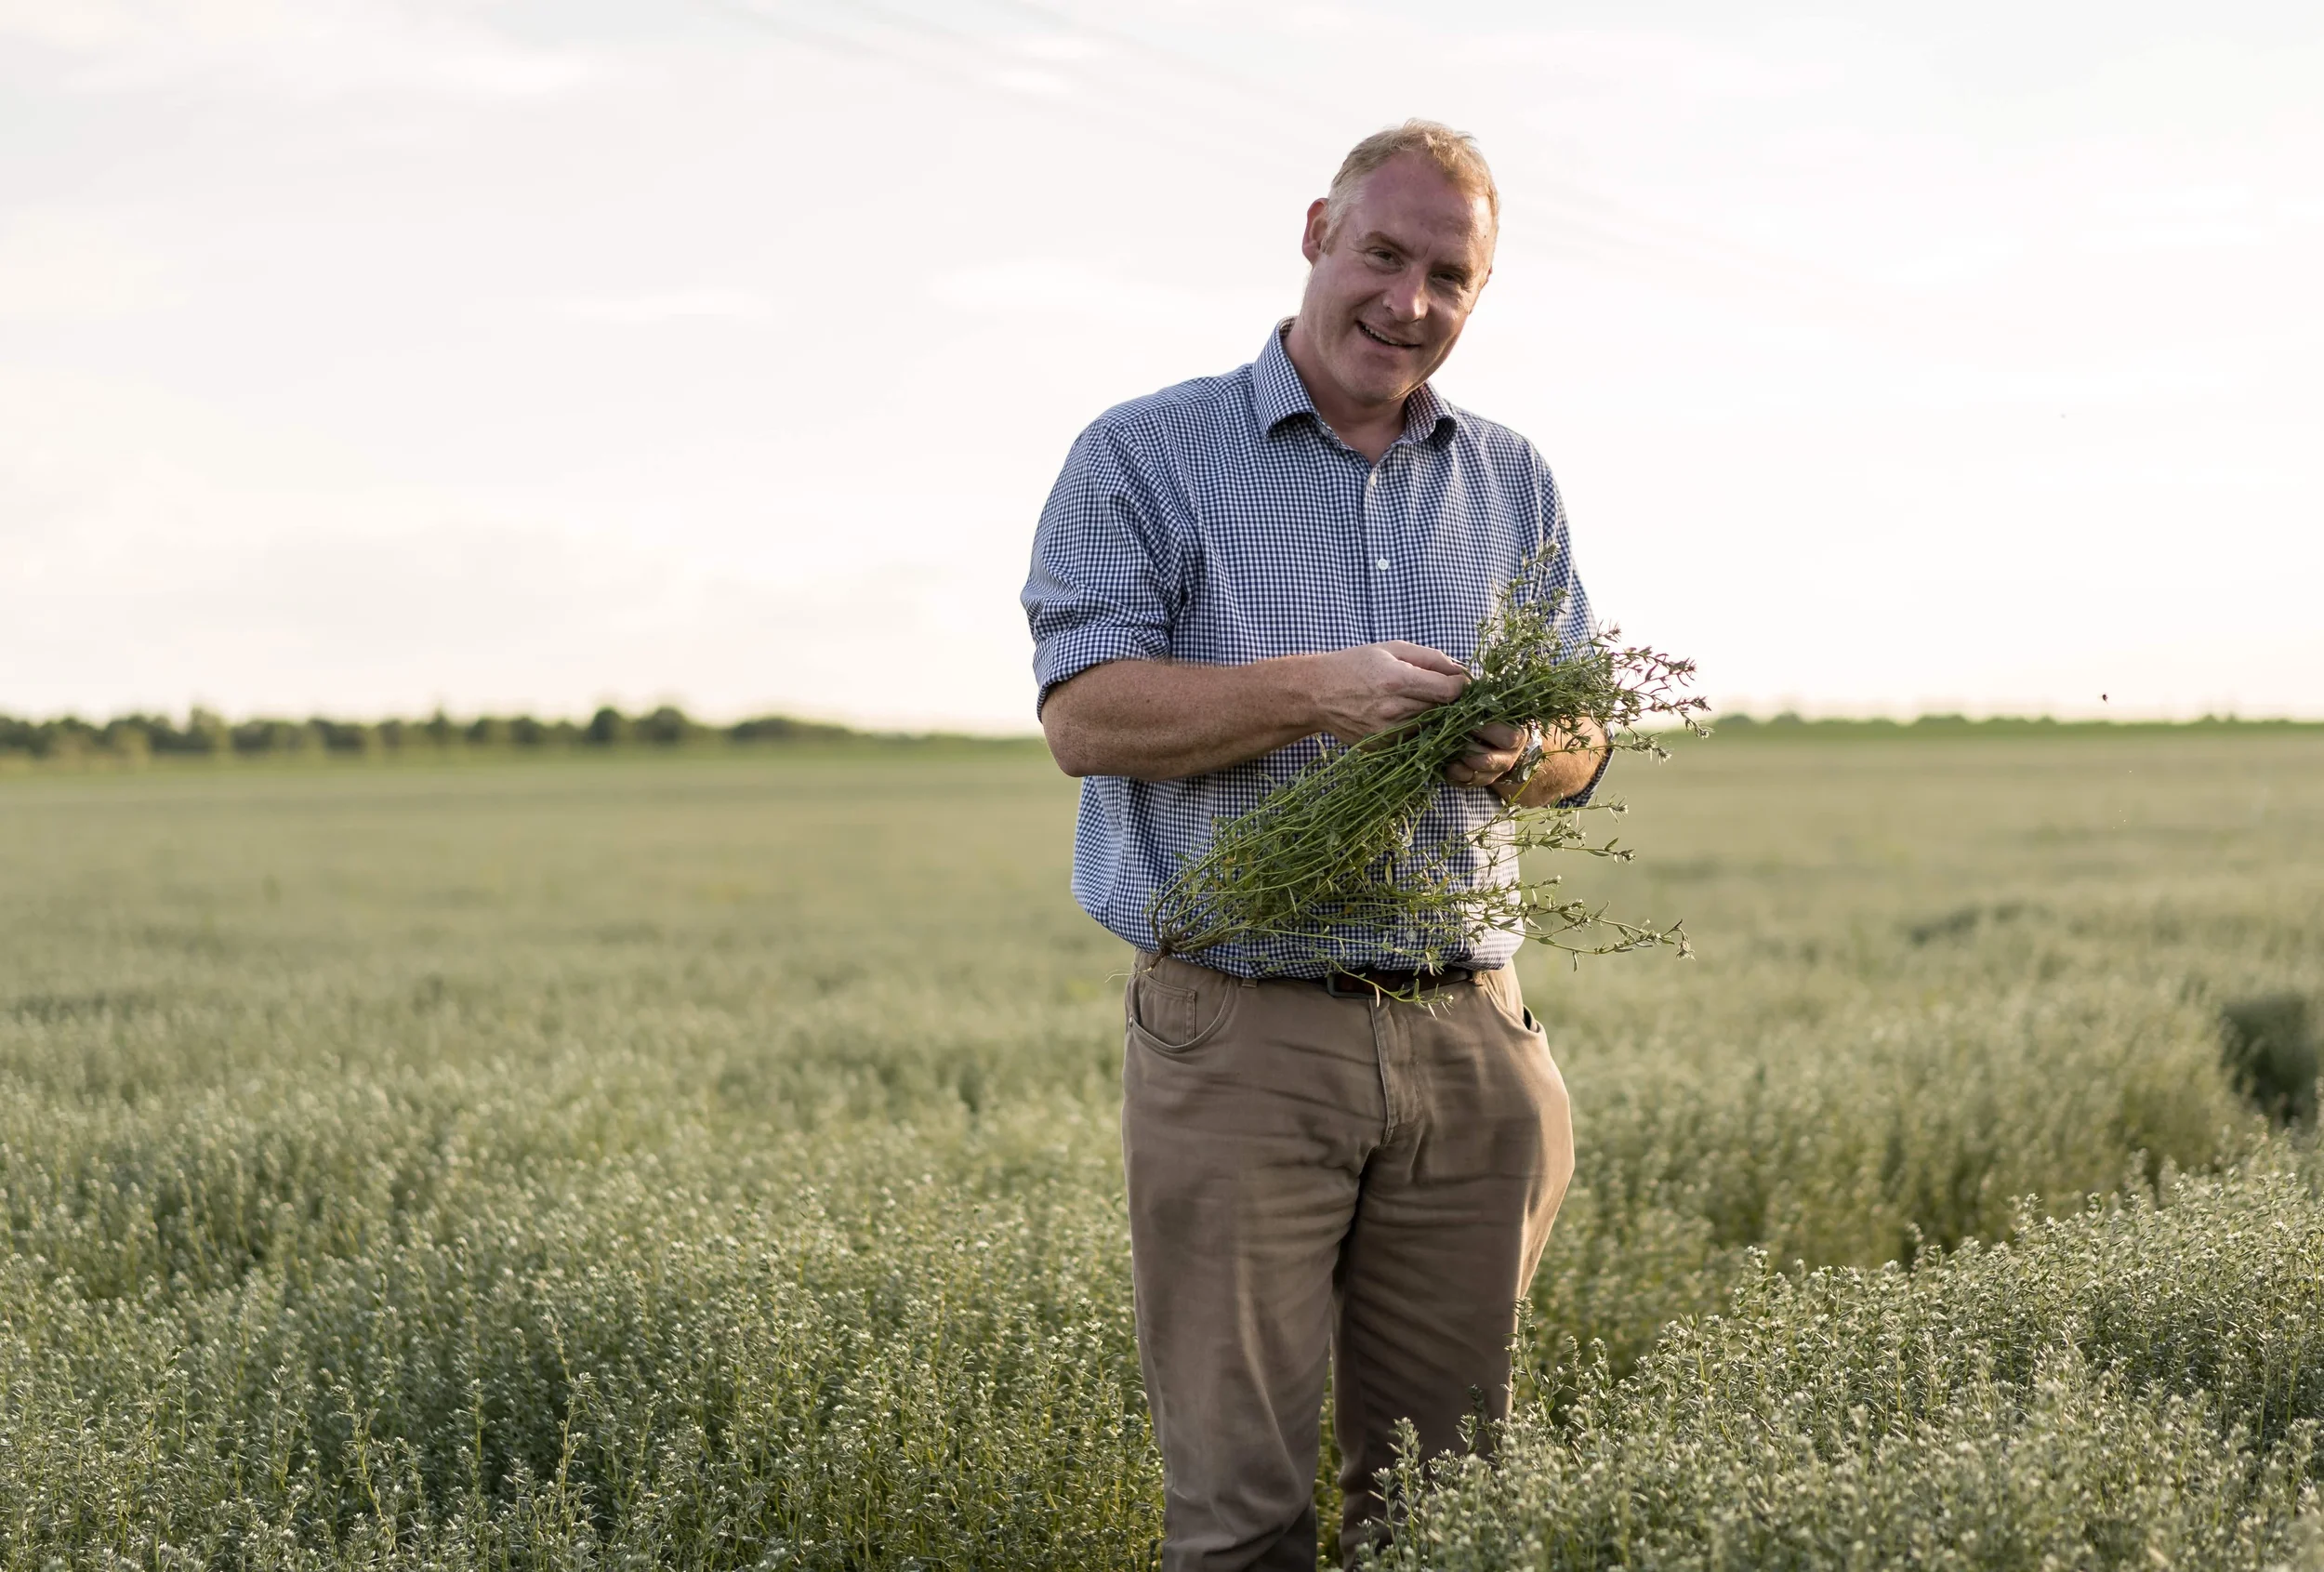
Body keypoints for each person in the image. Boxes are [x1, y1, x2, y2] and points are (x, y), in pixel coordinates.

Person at [1021, 120, 1607, 1572]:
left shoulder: (1511, 477)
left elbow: (1583, 735)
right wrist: (1317, 692)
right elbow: (1086, 715)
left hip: (1469, 1034)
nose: (1409, 301)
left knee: (1445, 1513)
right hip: (1244, 1034)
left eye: (1449, 277)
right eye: (1383, 254)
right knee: (1243, 1521)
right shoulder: (1144, 454)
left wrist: (1520, 751)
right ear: (1314, 235)